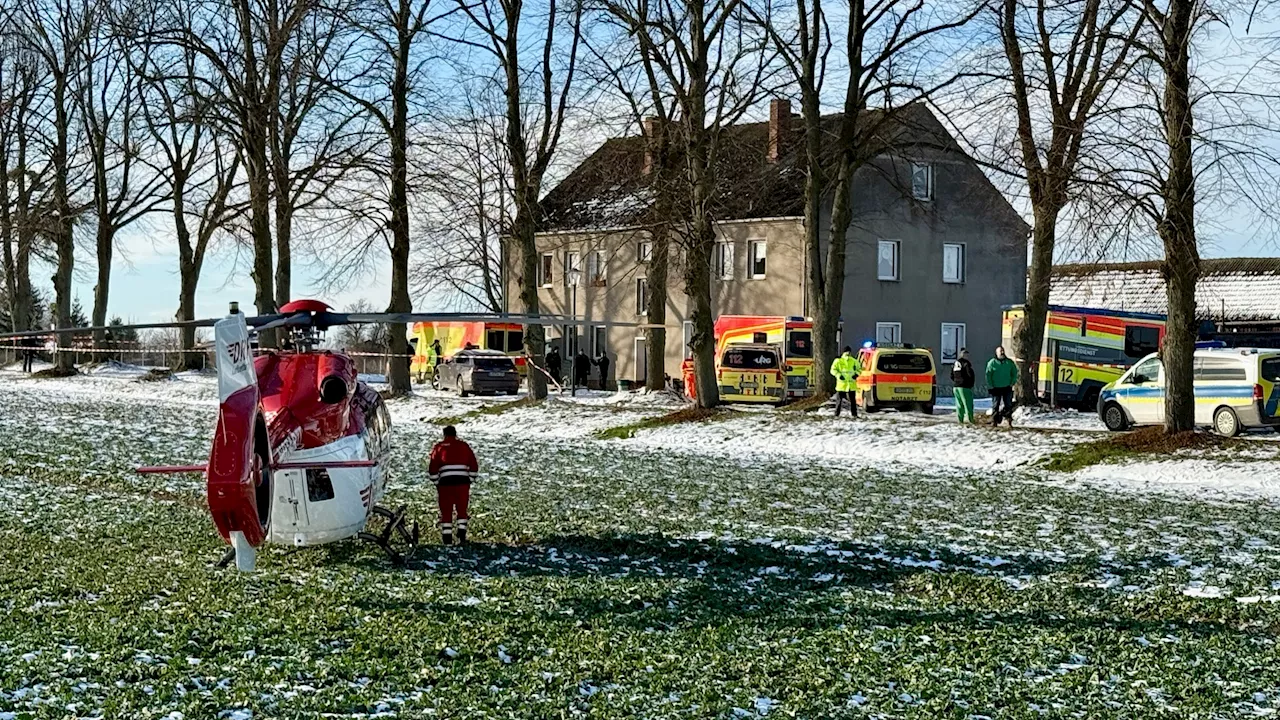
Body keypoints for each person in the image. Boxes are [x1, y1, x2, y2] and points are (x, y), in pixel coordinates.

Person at [427, 425, 478, 545]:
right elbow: (474, 465)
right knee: (462, 509)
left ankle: (447, 538)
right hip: (462, 483)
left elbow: (433, 467)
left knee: (446, 511)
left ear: (444, 434)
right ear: (455, 434)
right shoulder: (464, 446)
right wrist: (469, 479)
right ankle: (462, 534)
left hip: (445, 484)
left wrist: (437, 482)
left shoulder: (439, 447)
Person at [985, 345, 1019, 427]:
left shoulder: (1009, 362)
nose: (1002, 352)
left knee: (1008, 405)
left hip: (1007, 387)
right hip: (996, 387)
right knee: (995, 405)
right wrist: (990, 384)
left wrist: (1012, 382)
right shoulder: (992, 363)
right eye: (1000, 351)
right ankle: (995, 421)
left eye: (1003, 351)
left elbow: (1014, 373)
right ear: (996, 353)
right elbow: (988, 374)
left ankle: (1008, 421)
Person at [829, 346, 863, 418]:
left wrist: (838, 375)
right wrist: (856, 375)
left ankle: (837, 414)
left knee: (840, 400)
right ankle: (854, 414)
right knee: (852, 401)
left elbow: (833, 370)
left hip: (842, 384)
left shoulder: (838, 361)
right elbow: (860, 369)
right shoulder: (854, 361)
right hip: (850, 384)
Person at [950, 348, 976, 424]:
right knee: (967, 404)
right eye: (967, 355)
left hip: (956, 387)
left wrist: (956, 381)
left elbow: (951, 375)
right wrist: (970, 383)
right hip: (965, 387)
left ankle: (960, 420)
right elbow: (969, 375)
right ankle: (970, 420)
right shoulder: (966, 364)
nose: (968, 357)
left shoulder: (955, 364)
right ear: (964, 355)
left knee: (959, 404)